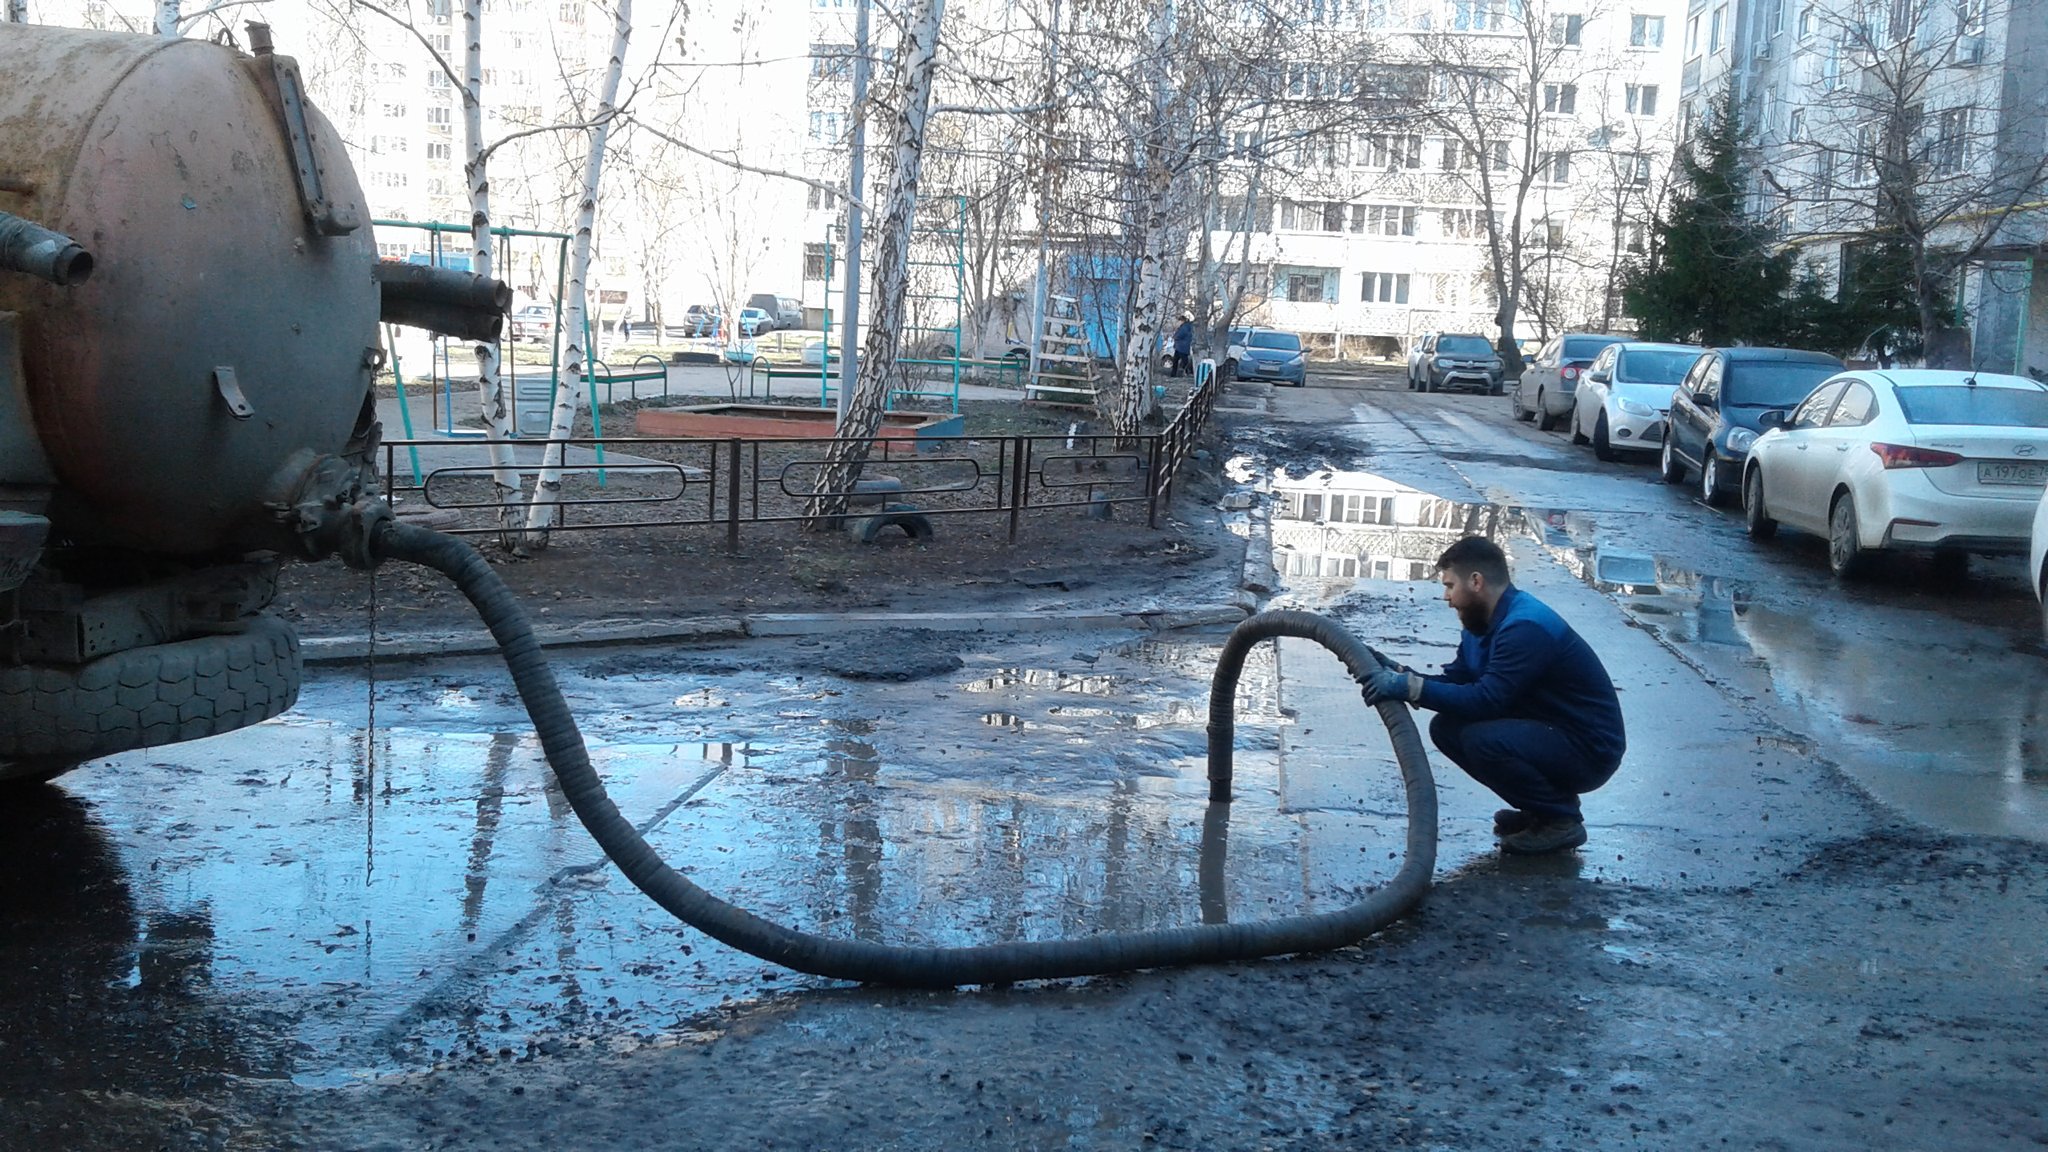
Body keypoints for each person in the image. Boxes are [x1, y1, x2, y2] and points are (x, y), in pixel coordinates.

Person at [1359, 536, 1625, 854]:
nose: (1446, 597)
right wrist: (1404, 675)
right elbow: (1457, 681)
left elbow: (1487, 700)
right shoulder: (1483, 624)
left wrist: (1411, 689)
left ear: (1475, 581)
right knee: (1446, 728)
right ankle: (1541, 811)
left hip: (1589, 749)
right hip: (1551, 732)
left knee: (1482, 740)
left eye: (1449, 585)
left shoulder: (1524, 627)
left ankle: (1560, 820)